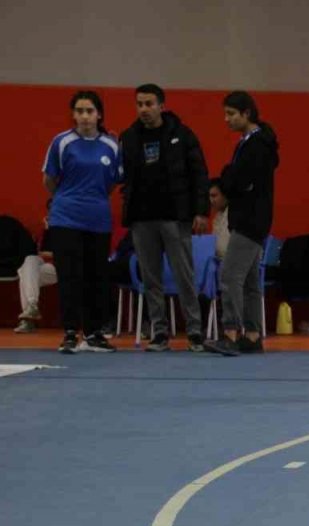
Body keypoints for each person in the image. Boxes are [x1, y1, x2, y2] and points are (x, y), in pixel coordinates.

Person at [119, 83, 210, 352]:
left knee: (184, 274)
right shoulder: (129, 137)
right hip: (141, 218)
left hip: (175, 216)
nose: (144, 109)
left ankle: (194, 332)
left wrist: (201, 210)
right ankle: (159, 333)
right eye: (139, 104)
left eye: (149, 104)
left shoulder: (182, 135)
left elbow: (199, 174)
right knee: (151, 279)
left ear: (162, 105)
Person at [42, 90, 122, 353]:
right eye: (79, 111)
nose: (85, 116)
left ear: (99, 114)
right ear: (73, 115)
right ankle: (69, 332)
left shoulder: (111, 145)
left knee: (96, 277)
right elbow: (49, 180)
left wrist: (90, 199)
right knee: (69, 276)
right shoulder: (61, 142)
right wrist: (67, 200)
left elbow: (110, 182)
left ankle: (94, 333)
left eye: (90, 111)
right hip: (66, 219)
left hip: (98, 220)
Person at [205, 90, 279, 356]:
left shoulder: (256, 145)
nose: (227, 119)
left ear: (246, 113)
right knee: (248, 281)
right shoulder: (252, 142)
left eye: (231, 114)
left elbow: (239, 180)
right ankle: (252, 335)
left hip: (250, 220)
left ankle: (231, 333)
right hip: (254, 219)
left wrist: (227, 178)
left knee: (229, 276)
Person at [12, 204, 56, 333]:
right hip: (43, 267)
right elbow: (38, 253)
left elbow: (63, 254)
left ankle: (28, 320)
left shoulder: (69, 229)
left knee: (24, 272)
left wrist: (43, 253)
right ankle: (31, 307)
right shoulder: (46, 232)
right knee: (27, 263)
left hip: (62, 268)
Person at [208, 179, 230, 260]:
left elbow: (223, 249)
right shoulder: (218, 216)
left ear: (225, 195)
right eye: (209, 196)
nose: (211, 200)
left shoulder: (234, 215)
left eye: (214, 196)